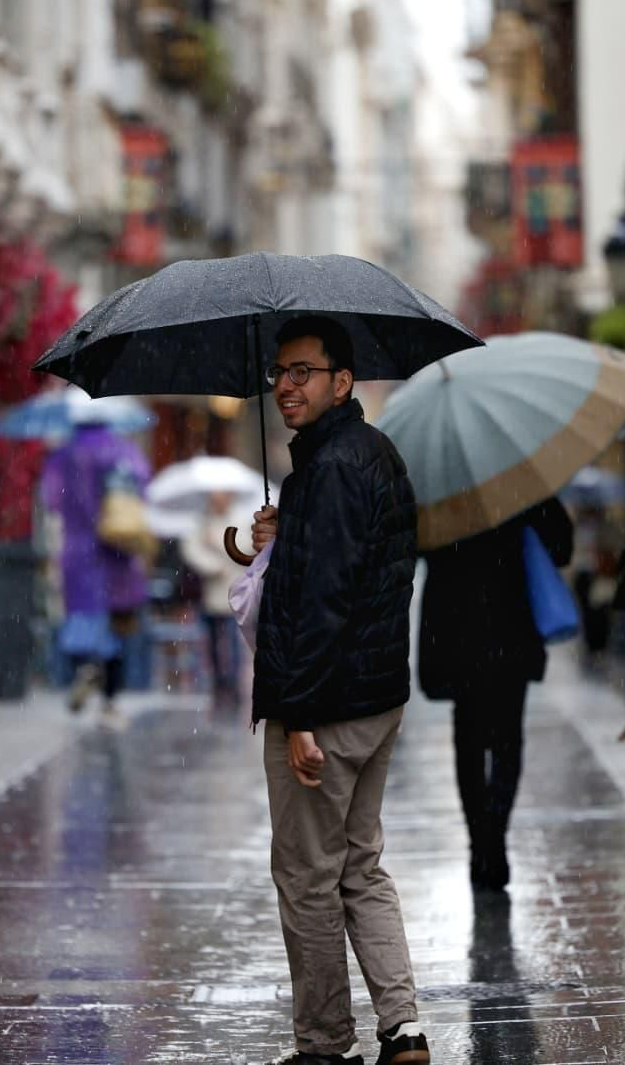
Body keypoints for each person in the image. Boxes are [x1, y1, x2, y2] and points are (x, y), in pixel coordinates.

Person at [248, 315, 430, 1065]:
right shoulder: (371, 454)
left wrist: (300, 715)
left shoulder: (326, 470)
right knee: (360, 865)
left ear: (341, 382)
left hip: (329, 706)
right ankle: (404, 1027)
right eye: (279, 374)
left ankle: (323, 1044)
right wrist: (278, 538)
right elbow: (353, 569)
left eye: (302, 373)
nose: (285, 386)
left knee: (308, 877)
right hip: (378, 698)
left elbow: (323, 603)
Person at [418, 500, 573, 891]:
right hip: (509, 627)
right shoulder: (520, 484)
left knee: (468, 739)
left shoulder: (441, 488)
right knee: (506, 737)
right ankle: (494, 837)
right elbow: (562, 547)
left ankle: (480, 842)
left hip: (456, 631)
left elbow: (413, 546)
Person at [39, 407, 152, 716]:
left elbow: (51, 499)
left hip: (78, 553)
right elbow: (143, 489)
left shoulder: (63, 456)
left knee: (81, 620)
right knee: (117, 626)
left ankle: (86, 667)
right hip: (119, 550)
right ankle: (110, 701)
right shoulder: (124, 451)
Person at [178, 490, 243, 697]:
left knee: (233, 639)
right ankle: (218, 680)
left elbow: (244, 549)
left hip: (236, 591)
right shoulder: (201, 523)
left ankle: (232, 680)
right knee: (214, 639)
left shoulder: (240, 519)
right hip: (212, 594)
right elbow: (192, 552)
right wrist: (212, 564)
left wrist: (218, 544)